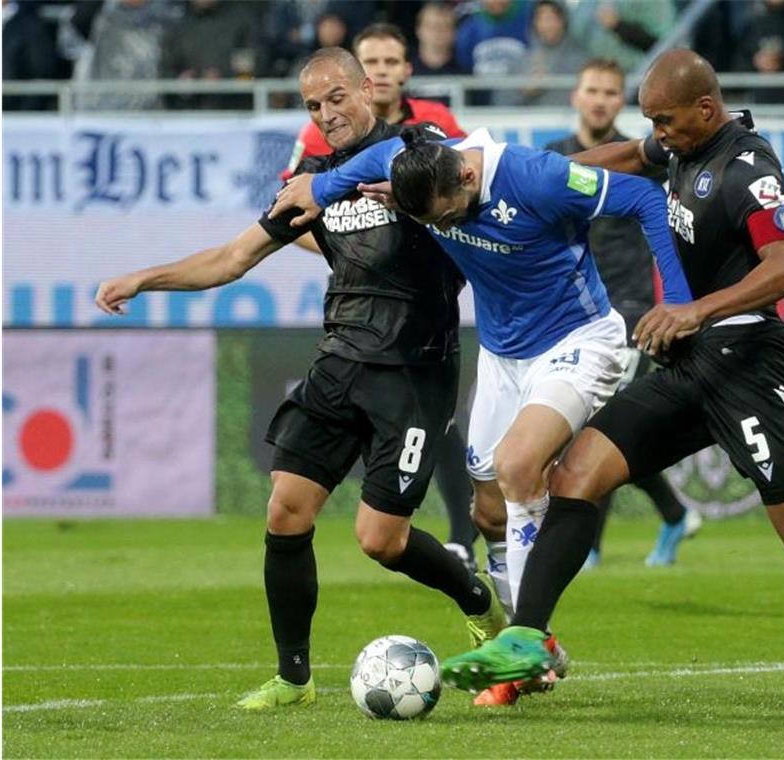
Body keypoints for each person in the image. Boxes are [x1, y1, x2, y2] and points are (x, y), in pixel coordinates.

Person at [439, 49, 784, 720]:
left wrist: (695, 308)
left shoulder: (747, 169)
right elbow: (615, 161)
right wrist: (527, 179)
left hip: (752, 363)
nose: (657, 134)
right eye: (652, 123)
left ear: (706, 109)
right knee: (576, 475)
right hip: (689, 364)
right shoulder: (678, 146)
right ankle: (529, 639)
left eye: (665, 122)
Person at [94, 48, 507, 711]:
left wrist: (418, 203)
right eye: (314, 106)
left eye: (336, 98)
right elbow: (233, 258)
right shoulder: (314, 181)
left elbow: (471, 202)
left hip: (414, 368)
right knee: (286, 508)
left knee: (381, 540)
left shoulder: (417, 155)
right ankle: (293, 679)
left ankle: (478, 602)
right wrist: (146, 277)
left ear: (367, 88)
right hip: (339, 361)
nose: (327, 114)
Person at [268, 111, 691, 704]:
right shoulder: (410, 163)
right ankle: (523, 657)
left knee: (520, 466)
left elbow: (646, 199)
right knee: (488, 510)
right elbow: (359, 169)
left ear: (466, 178)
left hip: (579, 340)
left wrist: (680, 303)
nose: (442, 226)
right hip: (501, 355)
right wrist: (319, 188)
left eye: (444, 217)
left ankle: (525, 643)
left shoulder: (534, 177)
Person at [279, 22, 477, 570]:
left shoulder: (433, 131)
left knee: (451, 431)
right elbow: (293, 209)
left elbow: (469, 191)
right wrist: (354, 244)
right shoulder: (319, 143)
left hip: (423, 333)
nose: (385, 71)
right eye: (375, 60)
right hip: (358, 335)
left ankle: (469, 534)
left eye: (392, 62)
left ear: (393, 76)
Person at [543, 57, 692, 568]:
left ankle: (589, 548)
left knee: (599, 427)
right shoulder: (553, 159)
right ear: (577, 96)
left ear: (620, 100)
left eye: (611, 91)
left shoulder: (643, 157)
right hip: (569, 314)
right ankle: (675, 514)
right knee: (594, 427)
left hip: (628, 311)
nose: (601, 98)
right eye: (593, 89)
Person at [282, 23, 466, 177]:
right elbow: (292, 198)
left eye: (391, 62)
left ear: (407, 70)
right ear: (354, 70)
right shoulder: (317, 133)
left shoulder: (437, 119)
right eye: (371, 62)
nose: (381, 71)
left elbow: (469, 169)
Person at [411, 2, 466, 77]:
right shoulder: (403, 72)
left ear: (454, 32)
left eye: (445, 26)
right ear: (418, 30)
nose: (438, 32)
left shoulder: (465, 74)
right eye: (433, 26)